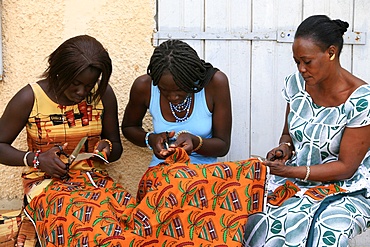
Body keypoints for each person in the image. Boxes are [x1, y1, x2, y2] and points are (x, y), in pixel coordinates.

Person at [0, 35, 266, 246]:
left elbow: (114, 148)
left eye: (89, 85)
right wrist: (34, 158)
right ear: (59, 71)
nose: (82, 92)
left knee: (134, 222)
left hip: (96, 182)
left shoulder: (101, 95)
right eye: (75, 84)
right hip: (50, 185)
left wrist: (104, 149)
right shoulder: (30, 97)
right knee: (85, 223)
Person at [244, 15, 370, 247]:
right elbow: (288, 134)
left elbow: (346, 168)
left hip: (347, 189)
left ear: (331, 53)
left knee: (326, 231)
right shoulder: (296, 84)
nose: (301, 69)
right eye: (297, 62)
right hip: (296, 179)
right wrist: (284, 148)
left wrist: (290, 173)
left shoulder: (361, 101)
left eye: (307, 61)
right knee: (255, 218)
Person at [121, 39, 232, 168]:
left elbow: (223, 145)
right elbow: (129, 127)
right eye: (164, 90)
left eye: (180, 89)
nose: (173, 97)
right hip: (163, 170)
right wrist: (151, 139)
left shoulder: (215, 84)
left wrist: (195, 143)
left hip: (203, 172)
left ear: (192, 79)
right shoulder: (144, 87)